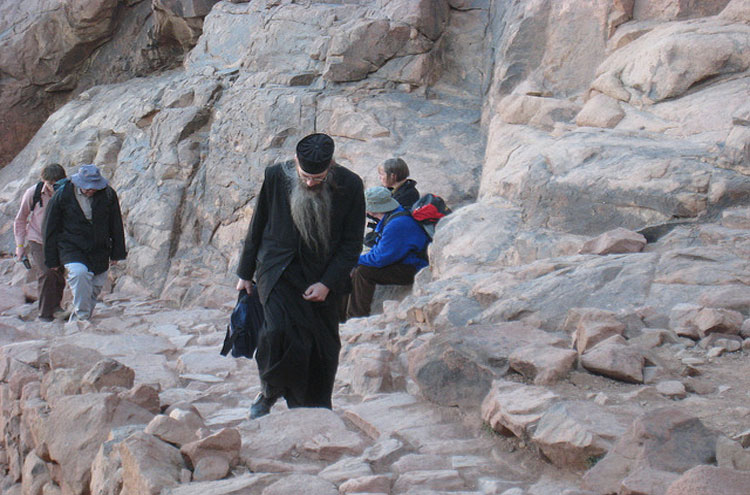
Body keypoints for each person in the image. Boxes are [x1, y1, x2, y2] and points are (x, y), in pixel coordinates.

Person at [236, 133, 365, 419]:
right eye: (305, 176)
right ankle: (269, 391)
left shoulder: (351, 184)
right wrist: (245, 272)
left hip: (323, 275)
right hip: (278, 269)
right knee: (276, 333)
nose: (309, 183)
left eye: (318, 178)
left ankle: (315, 407)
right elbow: (257, 225)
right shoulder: (274, 176)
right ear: (295, 161)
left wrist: (328, 283)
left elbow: (352, 243)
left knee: (321, 343)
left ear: (331, 165)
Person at [43, 164, 127, 321]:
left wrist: (117, 252)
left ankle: (82, 315)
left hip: (99, 247)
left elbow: (115, 223)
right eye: (87, 187)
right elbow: (50, 228)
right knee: (79, 274)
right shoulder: (62, 195)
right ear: (78, 183)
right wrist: (52, 259)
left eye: (94, 187)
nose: (90, 190)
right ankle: (80, 319)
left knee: (94, 287)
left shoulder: (108, 195)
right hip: (71, 246)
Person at [345, 186, 429, 319]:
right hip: (406, 262)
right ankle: (350, 314)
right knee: (359, 267)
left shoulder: (396, 224)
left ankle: (356, 317)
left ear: (372, 210)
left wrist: (352, 261)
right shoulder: (396, 215)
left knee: (363, 271)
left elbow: (379, 258)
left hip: (414, 268)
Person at [13, 164, 68, 321]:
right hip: (38, 239)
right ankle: (44, 314)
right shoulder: (33, 193)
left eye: (56, 183)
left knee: (58, 274)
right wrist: (20, 246)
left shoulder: (68, 192)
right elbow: (20, 219)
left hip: (60, 240)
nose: (53, 187)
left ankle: (56, 307)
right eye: (50, 184)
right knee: (46, 272)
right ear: (44, 181)